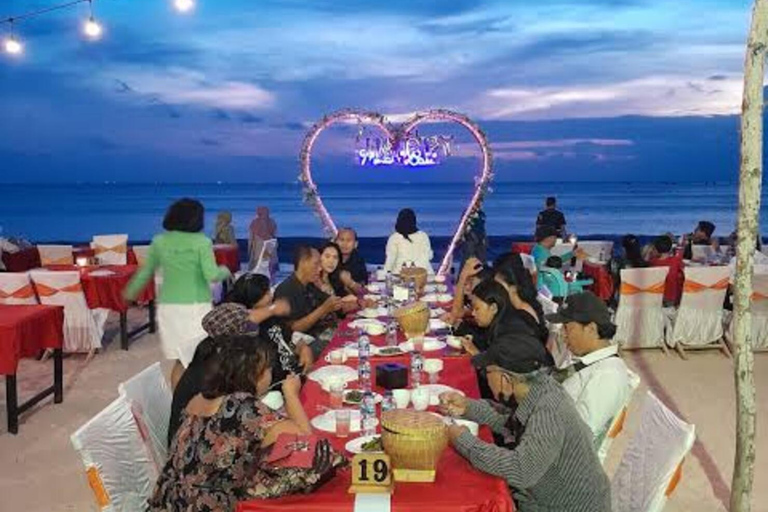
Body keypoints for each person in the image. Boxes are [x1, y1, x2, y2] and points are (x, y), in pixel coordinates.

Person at [151, 336, 345, 511]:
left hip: (169, 500)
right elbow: (305, 439)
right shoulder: (242, 406)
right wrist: (291, 394)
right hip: (207, 504)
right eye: (267, 369)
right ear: (253, 374)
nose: (271, 373)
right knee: (320, 461)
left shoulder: (199, 398)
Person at [439, 360, 611, 512]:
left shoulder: (549, 409)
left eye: (487, 372)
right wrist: (468, 407)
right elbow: (511, 422)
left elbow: (522, 470)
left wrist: (464, 441)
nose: (485, 378)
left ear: (505, 379)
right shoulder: (541, 389)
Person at [124, 198, 231, 388]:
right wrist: (226, 270)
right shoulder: (202, 242)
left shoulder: (159, 241)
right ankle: (199, 406)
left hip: (169, 308)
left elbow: (146, 271)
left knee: (180, 361)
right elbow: (212, 274)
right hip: (196, 308)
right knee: (203, 359)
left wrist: (130, 292)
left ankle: (178, 405)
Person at [546, 292, 633, 448]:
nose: (564, 336)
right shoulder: (591, 361)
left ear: (591, 329)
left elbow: (576, 439)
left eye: (568, 328)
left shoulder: (607, 377)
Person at [462, 279, 551, 373]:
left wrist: (475, 353)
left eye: (477, 308)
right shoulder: (511, 318)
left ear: (493, 308)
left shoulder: (507, 338)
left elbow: (494, 374)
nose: (473, 313)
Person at [274, 246, 342, 356]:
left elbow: (330, 301)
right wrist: (324, 309)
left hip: (318, 334)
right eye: (316, 264)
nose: (320, 269)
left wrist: (358, 303)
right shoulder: (285, 290)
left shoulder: (309, 285)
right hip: (300, 348)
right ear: (303, 263)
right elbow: (294, 329)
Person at [492, 253, 549, 346]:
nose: (495, 291)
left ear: (513, 288)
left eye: (499, 287)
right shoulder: (518, 306)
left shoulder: (522, 316)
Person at [384, 208, 434, 274]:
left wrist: (385, 274)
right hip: (422, 275)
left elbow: (390, 259)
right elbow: (429, 255)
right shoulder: (423, 236)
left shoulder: (394, 237)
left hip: (400, 275)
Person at [648, 235, 684, 306]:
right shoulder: (676, 261)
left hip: (657, 298)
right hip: (674, 298)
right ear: (671, 248)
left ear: (656, 248)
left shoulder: (652, 262)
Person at [249, 206, 278, 273]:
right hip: (270, 243)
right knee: (270, 265)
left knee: (259, 265)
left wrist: (250, 250)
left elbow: (251, 239)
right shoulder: (272, 222)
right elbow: (275, 234)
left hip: (258, 246)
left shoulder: (254, 223)